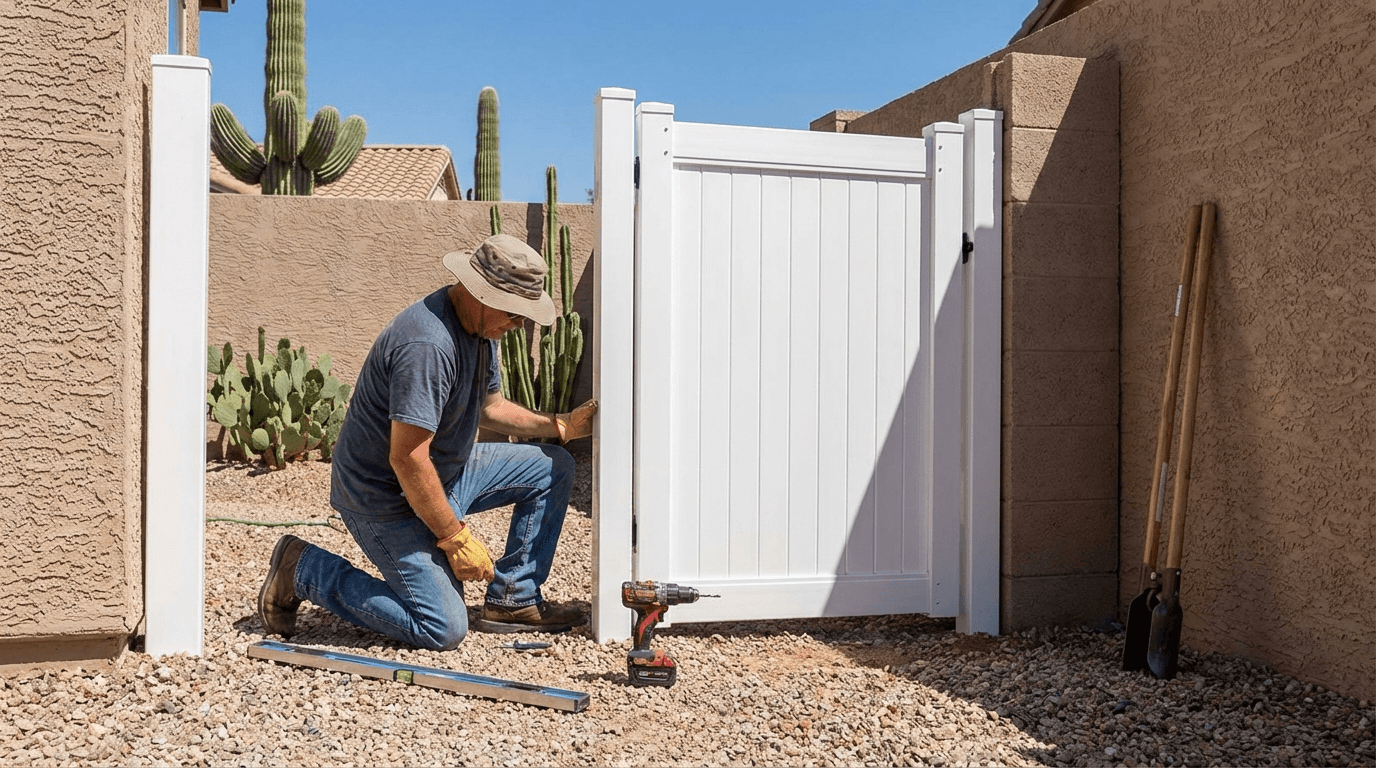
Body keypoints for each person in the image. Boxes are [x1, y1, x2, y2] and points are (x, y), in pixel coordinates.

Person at [255, 234, 598, 650]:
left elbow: (491, 407)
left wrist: (560, 426)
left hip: (445, 470)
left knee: (553, 466)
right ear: (480, 294)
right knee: (443, 628)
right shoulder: (428, 346)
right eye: (515, 314)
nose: (519, 325)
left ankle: (514, 598)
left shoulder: (480, 332)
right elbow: (408, 459)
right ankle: (305, 569)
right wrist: (454, 538)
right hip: (384, 496)